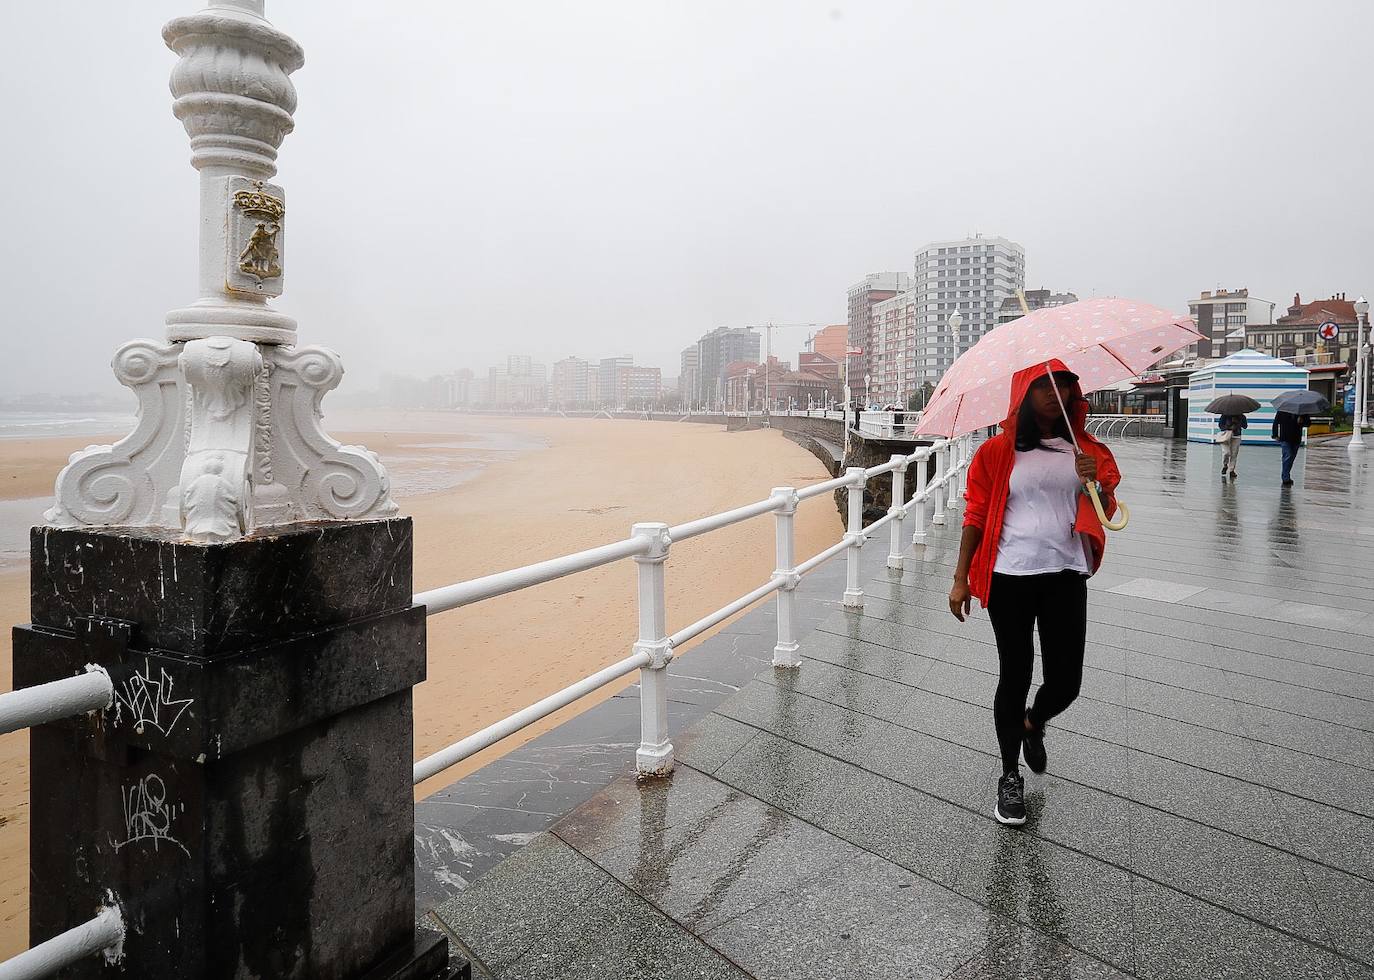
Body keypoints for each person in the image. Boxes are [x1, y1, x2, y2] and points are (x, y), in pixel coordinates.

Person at [948, 360, 1121, 827]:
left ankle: (1033, 720)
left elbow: (1108, 512)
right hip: (1011, 576)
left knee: (1067, 681)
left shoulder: (1084, 449)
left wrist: (1095, 483)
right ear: (1023, 394)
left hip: (1066, 573)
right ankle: (1009, 777)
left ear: (1072, 394)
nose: (1053, 393)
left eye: (1062, 384)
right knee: (1015, 673)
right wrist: (961, 577)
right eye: (1042, 385)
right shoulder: (997, 452)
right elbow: (977, 515)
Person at [1271, 410, 1309, 487]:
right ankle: (1285, 478)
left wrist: (1302, 421)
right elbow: (1276, 422)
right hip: (1285, 437)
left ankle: (1286, 475)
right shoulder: (1282, 410)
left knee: (1291, 458)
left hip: (1296, 438)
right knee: (1287, 456)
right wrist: (1275, 435)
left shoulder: (1302, 411)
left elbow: (1308, 423)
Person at [1216, 413, 1247, 478]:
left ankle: (1231, 470)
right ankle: (1225, 465)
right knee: (1226, 453)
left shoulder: (1242, 416)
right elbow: (1220, 426)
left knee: (1234, 454)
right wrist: (1229, 427)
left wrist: (1238, 421)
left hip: (1237, 436)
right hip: (1226, 436)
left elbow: (1245, 426)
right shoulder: (1225, 415)